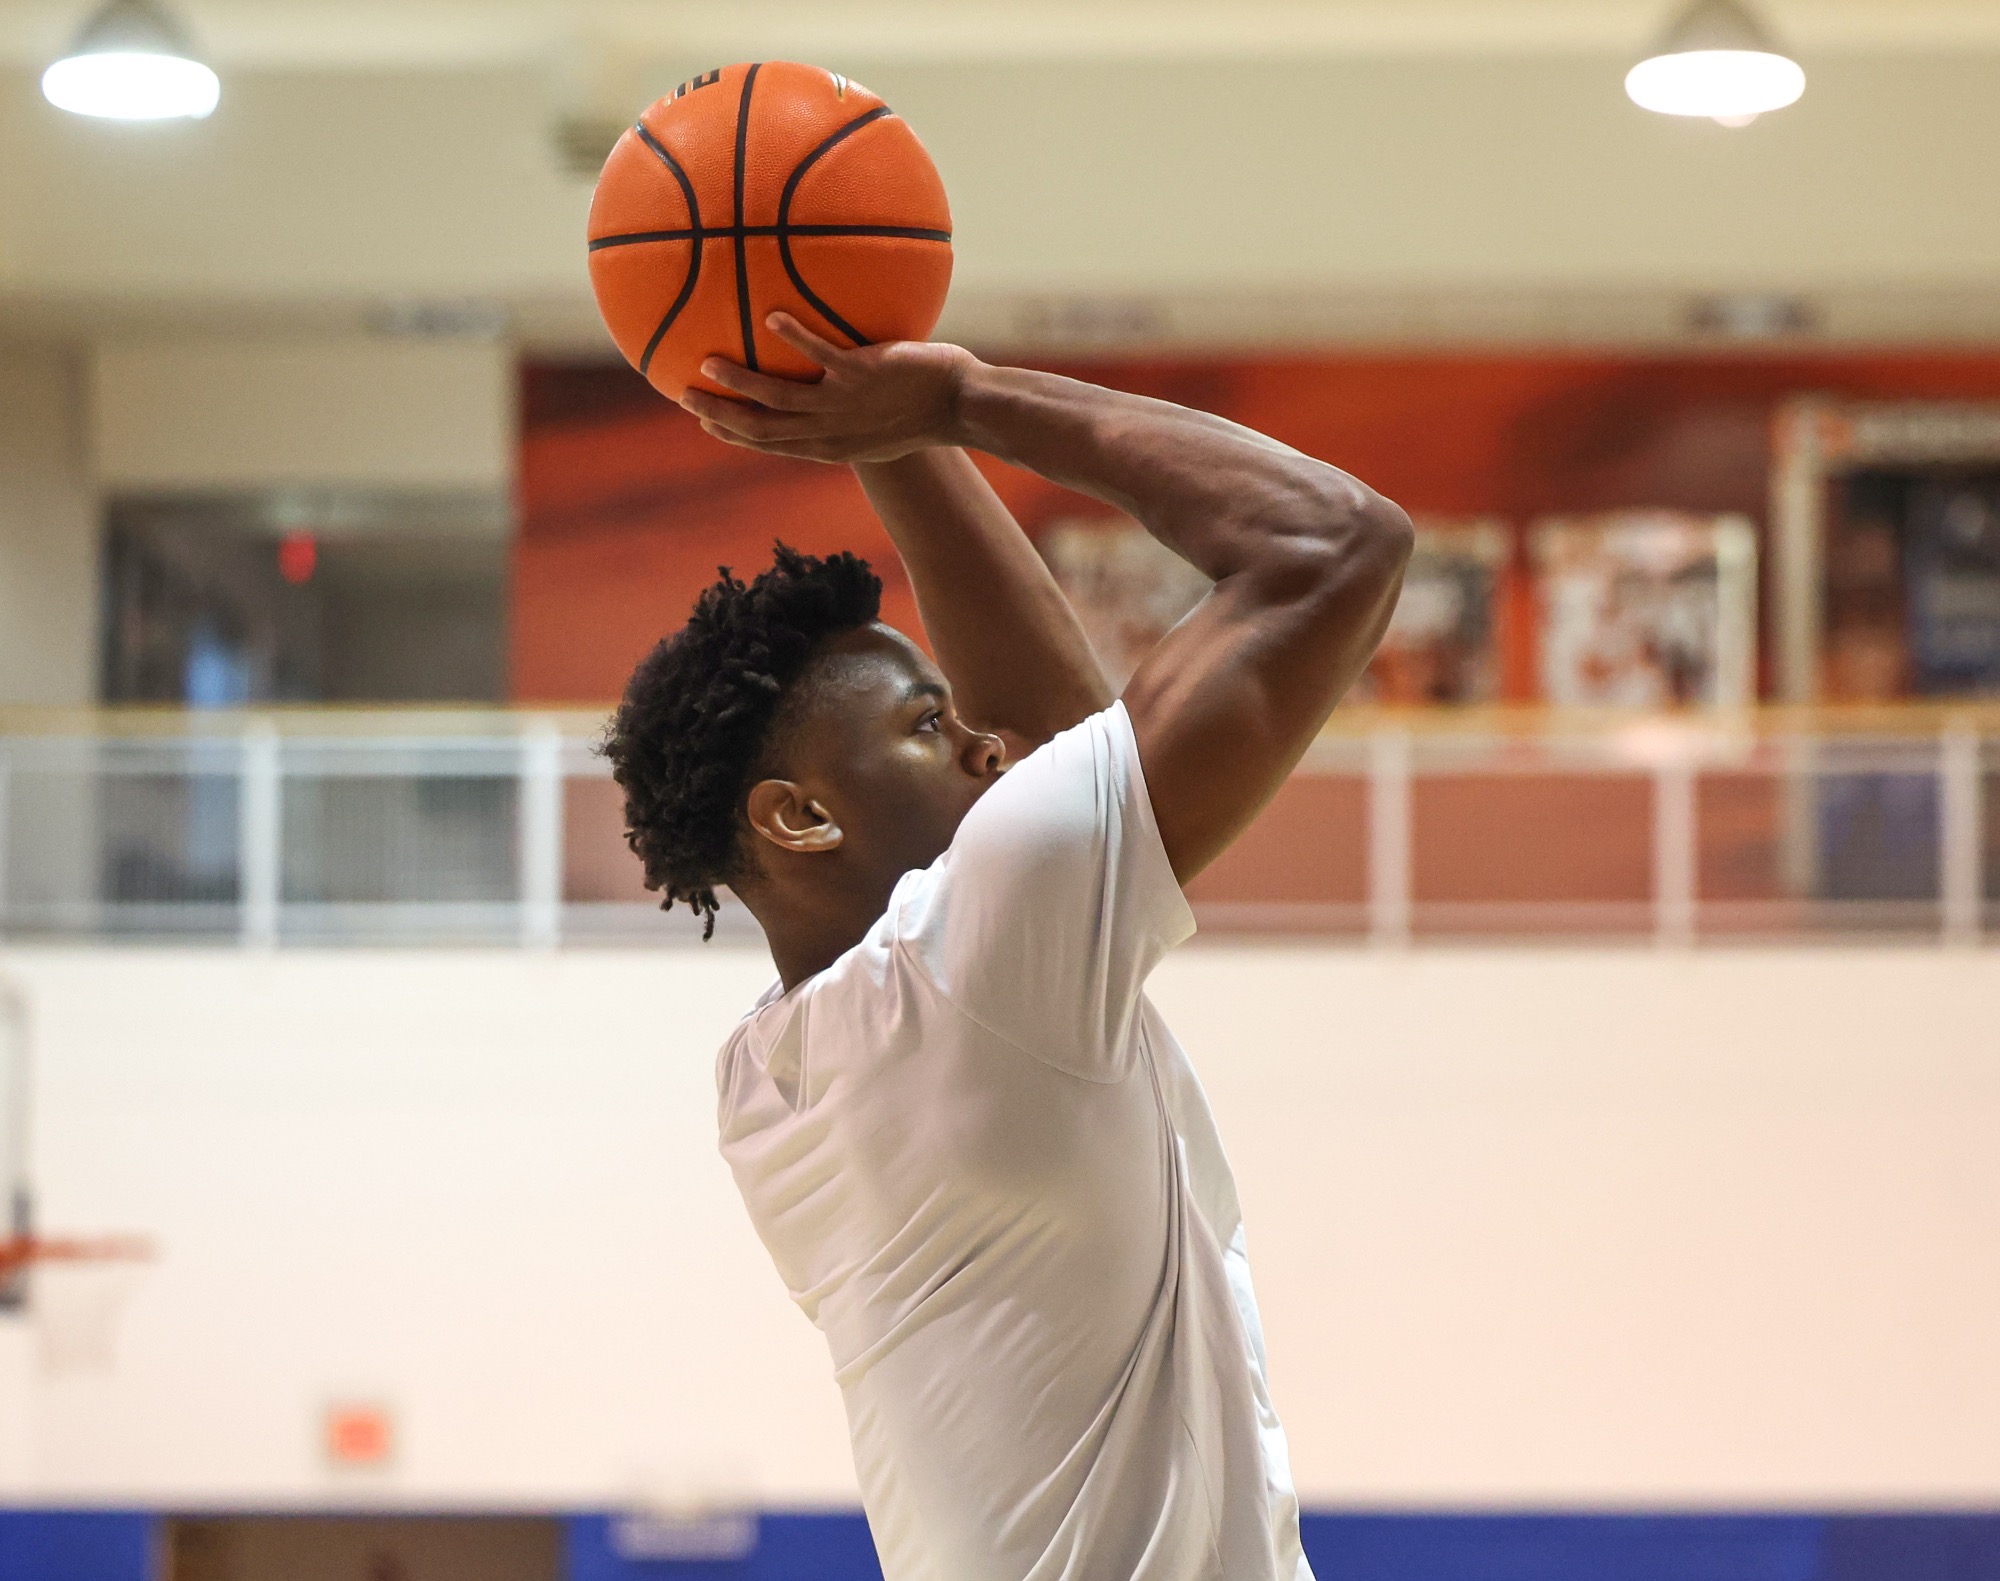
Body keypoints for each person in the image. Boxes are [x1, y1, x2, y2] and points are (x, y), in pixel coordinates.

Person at [604, 314, 1412, 1581]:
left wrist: (879, 423)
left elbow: (1053, 745)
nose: (988, 746)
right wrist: (959, 402)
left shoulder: (769, 1074)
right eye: (930, 726)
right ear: (800, 817)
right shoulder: (966, 967)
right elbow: (1337, 543)